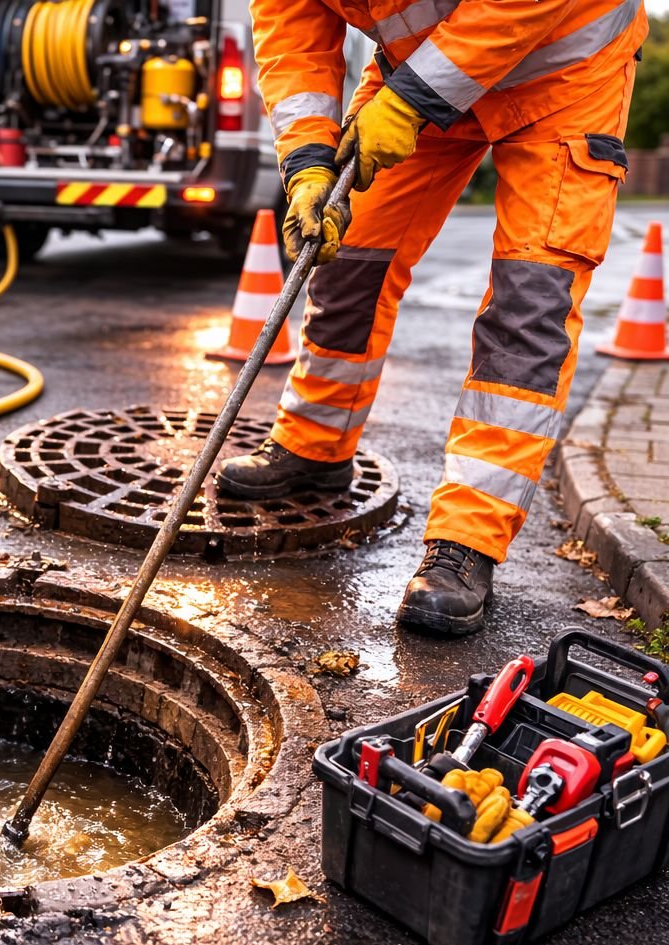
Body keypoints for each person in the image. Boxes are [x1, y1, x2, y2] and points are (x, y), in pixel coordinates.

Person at [217, 0, 646, 636]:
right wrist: (306, 165)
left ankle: (466, 542)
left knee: (528, 310)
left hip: (562, 77)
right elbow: (295, 40)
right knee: (351, 259)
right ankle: (314, 446)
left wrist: (410, 100)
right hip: (421, 73)